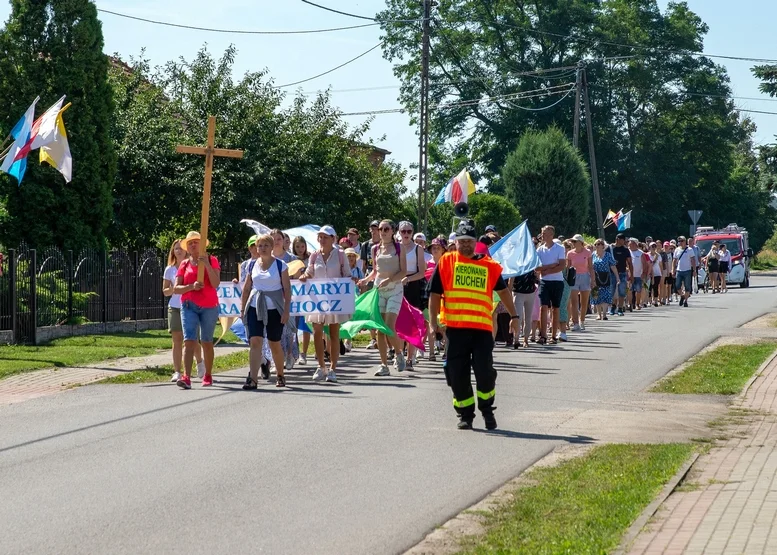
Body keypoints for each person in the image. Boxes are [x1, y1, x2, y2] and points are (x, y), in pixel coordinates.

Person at [428, 219, 519, 431]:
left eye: (469, 241)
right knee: (457, 375)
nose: (466, 245)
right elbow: (433, 294)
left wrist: (514, 317)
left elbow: (503, 292)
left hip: (482, 331)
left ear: (475, 242)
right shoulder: (446, 261)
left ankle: (487, 411)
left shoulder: (489, 265)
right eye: (462, 241)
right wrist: (433, 323)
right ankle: (465, 415)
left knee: (485, 373)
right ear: (456, 242)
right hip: (455, 330)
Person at [239, 234, 291, 389]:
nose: (262, 248)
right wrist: (243, 309)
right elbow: (247, 288)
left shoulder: (280, 265)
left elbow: (287, 289)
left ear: (272, 246)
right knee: (255, 341)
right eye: (259, 245)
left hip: (274, 308)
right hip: (255, 307)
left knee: (274, 343)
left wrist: (286, 310)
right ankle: (253, 379)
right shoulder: (252, 265)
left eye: (265, 245)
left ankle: (280, 374)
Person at [301, 225, 351, 382]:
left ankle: (333, 369)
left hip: (335, 300)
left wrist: (348, 282)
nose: (322, 240)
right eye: (320, 237)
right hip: (318, 299)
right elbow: (310, 272)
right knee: (317, 331)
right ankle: (321, 366)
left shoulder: (341, 255)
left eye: (326, 237)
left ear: (333, 239)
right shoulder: (314, 256)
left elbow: (347, 274)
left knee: (334, 333)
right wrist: (304, 276)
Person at [358, 220, 408, 376]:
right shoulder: (375, 249)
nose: (383, 231)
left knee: (389, 325)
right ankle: (383, 365)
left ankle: (399, 354)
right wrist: (365, 280)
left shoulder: (399, 248)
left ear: (393, 231)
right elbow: (375, 271)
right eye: (380, 229)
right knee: (380, 329)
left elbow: (403, 271)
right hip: (379, 289)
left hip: (395, 289)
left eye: (386, 229)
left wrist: (391, 279)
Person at [173, 231, 220, 389]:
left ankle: (207, 374)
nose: (193, 245)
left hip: (209, 306)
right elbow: (176, 289)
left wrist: (206, 264)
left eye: (196, 242)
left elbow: (215, 283)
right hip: (189, 306)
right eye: (190, 243)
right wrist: (191, 287)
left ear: (202, 244)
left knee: (207, 342)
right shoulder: (184, 264)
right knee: (189, 341)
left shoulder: (212, 260)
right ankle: (186, 376)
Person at [163, 239, 204, 383]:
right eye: (175, 249)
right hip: (174, 307)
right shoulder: (170, 269)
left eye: (180, 248)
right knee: (177, 340)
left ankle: (200, 362)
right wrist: (174, 288)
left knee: (192, 340)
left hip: (189, 305)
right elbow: (165, 290)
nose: (178, 251)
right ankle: (177, 372)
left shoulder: (192, 265)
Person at [397, 221, 427, 369]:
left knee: (412, 323)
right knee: (397, 321)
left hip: (412, 285)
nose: (406, 234)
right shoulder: (395, 248)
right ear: (399, 232)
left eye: (409, 231)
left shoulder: (417, 249)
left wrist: (407, 279)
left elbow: (422, 272)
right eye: (403, 231)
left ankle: (410, 358)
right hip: (397, 286)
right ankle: (399, 354)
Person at [536, 225, 566, 345]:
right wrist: (550, 266)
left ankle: (553, 335)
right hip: (544, 282)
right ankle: (543, 335)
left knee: (555, 308)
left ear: (551, 235)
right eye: (542, 233)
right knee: (543, 307)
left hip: (557, 281)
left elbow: (561, 265)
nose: (543, 235)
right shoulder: (539, 250)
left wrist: (548, 270)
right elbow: (537, 267)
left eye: (545, 234)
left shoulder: (559, 248)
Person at [425, 236, 447, 361]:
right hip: (430, 297)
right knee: (431, 325)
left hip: (444, 298)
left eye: (438, 247)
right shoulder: (426, 264)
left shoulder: (447, 262)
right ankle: (431, 353)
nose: (435, 250)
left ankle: (446, 351)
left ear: (443, 250)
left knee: (444, 325)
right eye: (433, 247)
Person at [567, 234, 594, 331]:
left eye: (575, 241)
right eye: (572, 241)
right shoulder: (570, 253)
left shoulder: (587, 252)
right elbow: (568, 268)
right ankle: (575, 323)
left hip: (585, 276)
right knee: (574, 302)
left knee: (584, 302)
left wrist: (593, 280)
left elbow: (590, 267)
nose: (573, 243)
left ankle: (582, 320)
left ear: (580, 243)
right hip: (573, 277)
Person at [360, 221, 381, 350]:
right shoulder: (366, 245)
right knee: (370, 309)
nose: (374, 231)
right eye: (372, 228)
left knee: (379, 308)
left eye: (376, 228)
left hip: (381, 277)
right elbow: (363, 266)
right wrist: (364, 281)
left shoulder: (384, 244)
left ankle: (380, 336)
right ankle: (373, 338)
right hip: (369, 275)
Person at [510, 268, 538, 349]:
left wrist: (536, 275)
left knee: (528, 318)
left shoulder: (532, 264)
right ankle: (516, 339)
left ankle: (525, 340)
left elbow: (537, 278)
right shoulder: (516, 264)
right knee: (517, 317)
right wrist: (509, 291)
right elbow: (511, 280)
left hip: (530, 292)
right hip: (518, 292)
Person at [591, 239, 619, 320]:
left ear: (603, 246)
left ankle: (604, 314)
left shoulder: (607, 255)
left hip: (606, 277)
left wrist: (617, 277)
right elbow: (590, 267)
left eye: (600, 244)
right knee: (596, 295)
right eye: (596, 244)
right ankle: (599, 314)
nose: (598, 245)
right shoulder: (593, 255)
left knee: (606, 294)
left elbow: (613, 266)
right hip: (595, 277)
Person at [609, 233, 633, 316]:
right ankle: (613, 306)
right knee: (611, 290)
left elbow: (630, 263)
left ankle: (620, 308)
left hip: (622, 272)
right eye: (623, 240)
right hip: (611, 273)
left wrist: (631, 275)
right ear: (618, 239)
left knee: (622, 291)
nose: (625, 242)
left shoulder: (625, 250)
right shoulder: (610, 249)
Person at [672, 236, 697, 307]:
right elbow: (674, 260)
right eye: (679, 241)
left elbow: (693, 260)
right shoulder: (677, 250)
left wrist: (694, 270)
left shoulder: (689, 250)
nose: (680, 242)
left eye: (682, 241)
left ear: (685, 241)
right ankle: (682, 296)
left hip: (687, 270)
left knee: (687, 286)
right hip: (679, 270)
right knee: (677, 286)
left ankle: (686, 301)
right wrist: (673, 269)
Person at [628, 238, 646, 311]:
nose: (629, 244)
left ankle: (637, 304)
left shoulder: (640, 253)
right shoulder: (627, 252)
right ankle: (630, 304)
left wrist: (643, 273)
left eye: (631, 243)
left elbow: (644, 264)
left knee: (638, 290)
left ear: (635, 244)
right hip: (630, 275)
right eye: (629, 243)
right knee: (629, 290)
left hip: (638, 275)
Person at [648, 242, 664, 307]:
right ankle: (649, 301)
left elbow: (660, 265)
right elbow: (650, 264)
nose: (654, 248)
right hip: (649, 273)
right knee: (649, 287)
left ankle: (655, 300)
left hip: (657, 273)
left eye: (655, 246)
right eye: (652, 246)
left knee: (655, 287)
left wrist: (662, 273)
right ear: (649, 247)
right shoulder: (647, 255)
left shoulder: (658, 255)